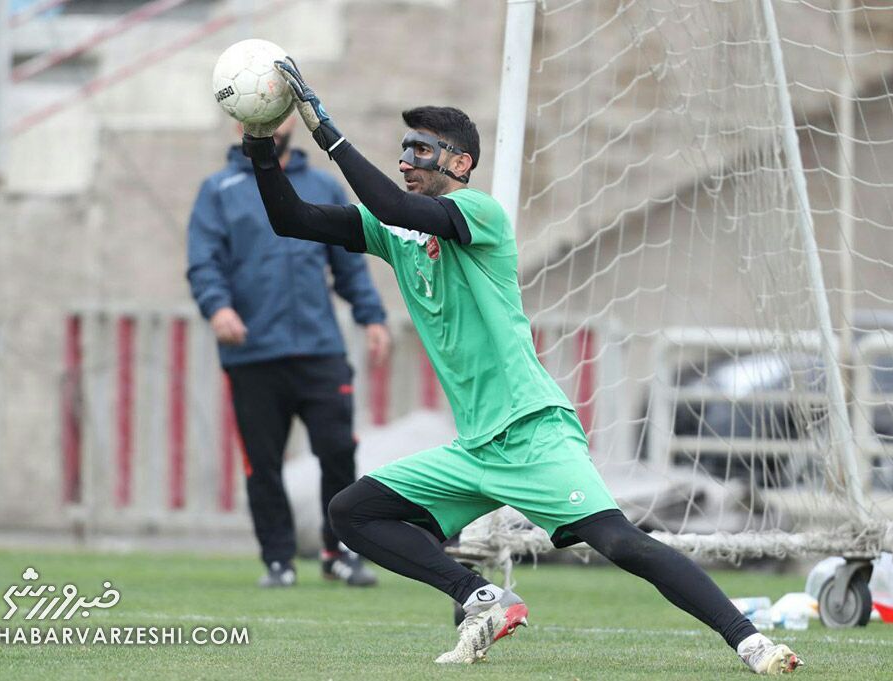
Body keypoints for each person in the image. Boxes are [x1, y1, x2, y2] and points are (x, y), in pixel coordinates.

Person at [238, 58, 804, 674]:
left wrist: (330, 135)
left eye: (422, 149)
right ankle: (482, 598)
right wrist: (261, 146)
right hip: (476, 446)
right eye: (403, 148)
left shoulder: (479, 213)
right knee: (353, 511)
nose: (406, 159)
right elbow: (290, 219)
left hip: (533, 429)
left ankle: (751, 642)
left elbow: (401, 210)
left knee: (618, 541)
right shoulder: (392, 229)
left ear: (459, 164)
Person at [187, 117, 389, 588]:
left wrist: (373, 316)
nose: (268, 125)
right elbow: (203, 263)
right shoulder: (218, 191)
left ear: (290, 121)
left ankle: (338, 553)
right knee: (263, 463)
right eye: (256, 115)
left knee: (339, 451)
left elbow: (350, 264)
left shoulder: (321, 185)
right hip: (252, 355)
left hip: (320, 350)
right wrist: (218, 309)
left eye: (276, 115)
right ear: (238, 119)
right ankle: (278, 561)